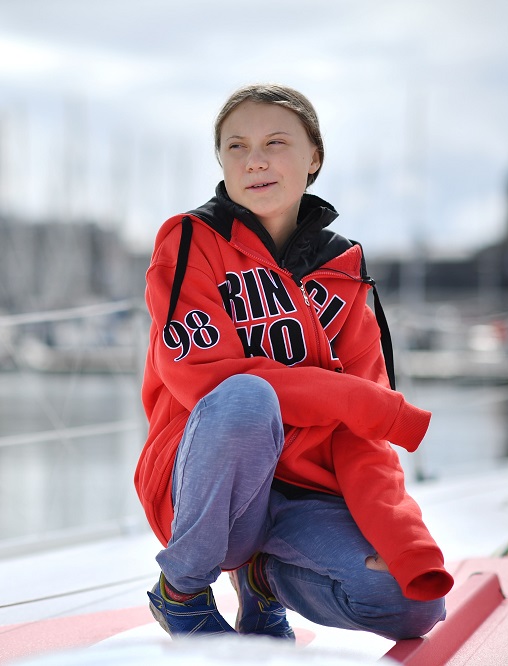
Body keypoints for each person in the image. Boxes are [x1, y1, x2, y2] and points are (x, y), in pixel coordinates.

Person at [135, 83, 453, 641]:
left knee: (411, 605)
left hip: (304, 495)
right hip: (211, 491)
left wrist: (405, 544)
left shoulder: (346, 274)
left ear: (314, 158)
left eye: (275, 142)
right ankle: (181, 591)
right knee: (245, 397)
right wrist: (357, 400)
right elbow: (204, 379)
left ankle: (263, 580)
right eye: (236, 147)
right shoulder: (189, 241)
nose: (254, 159)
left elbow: (362, 437)